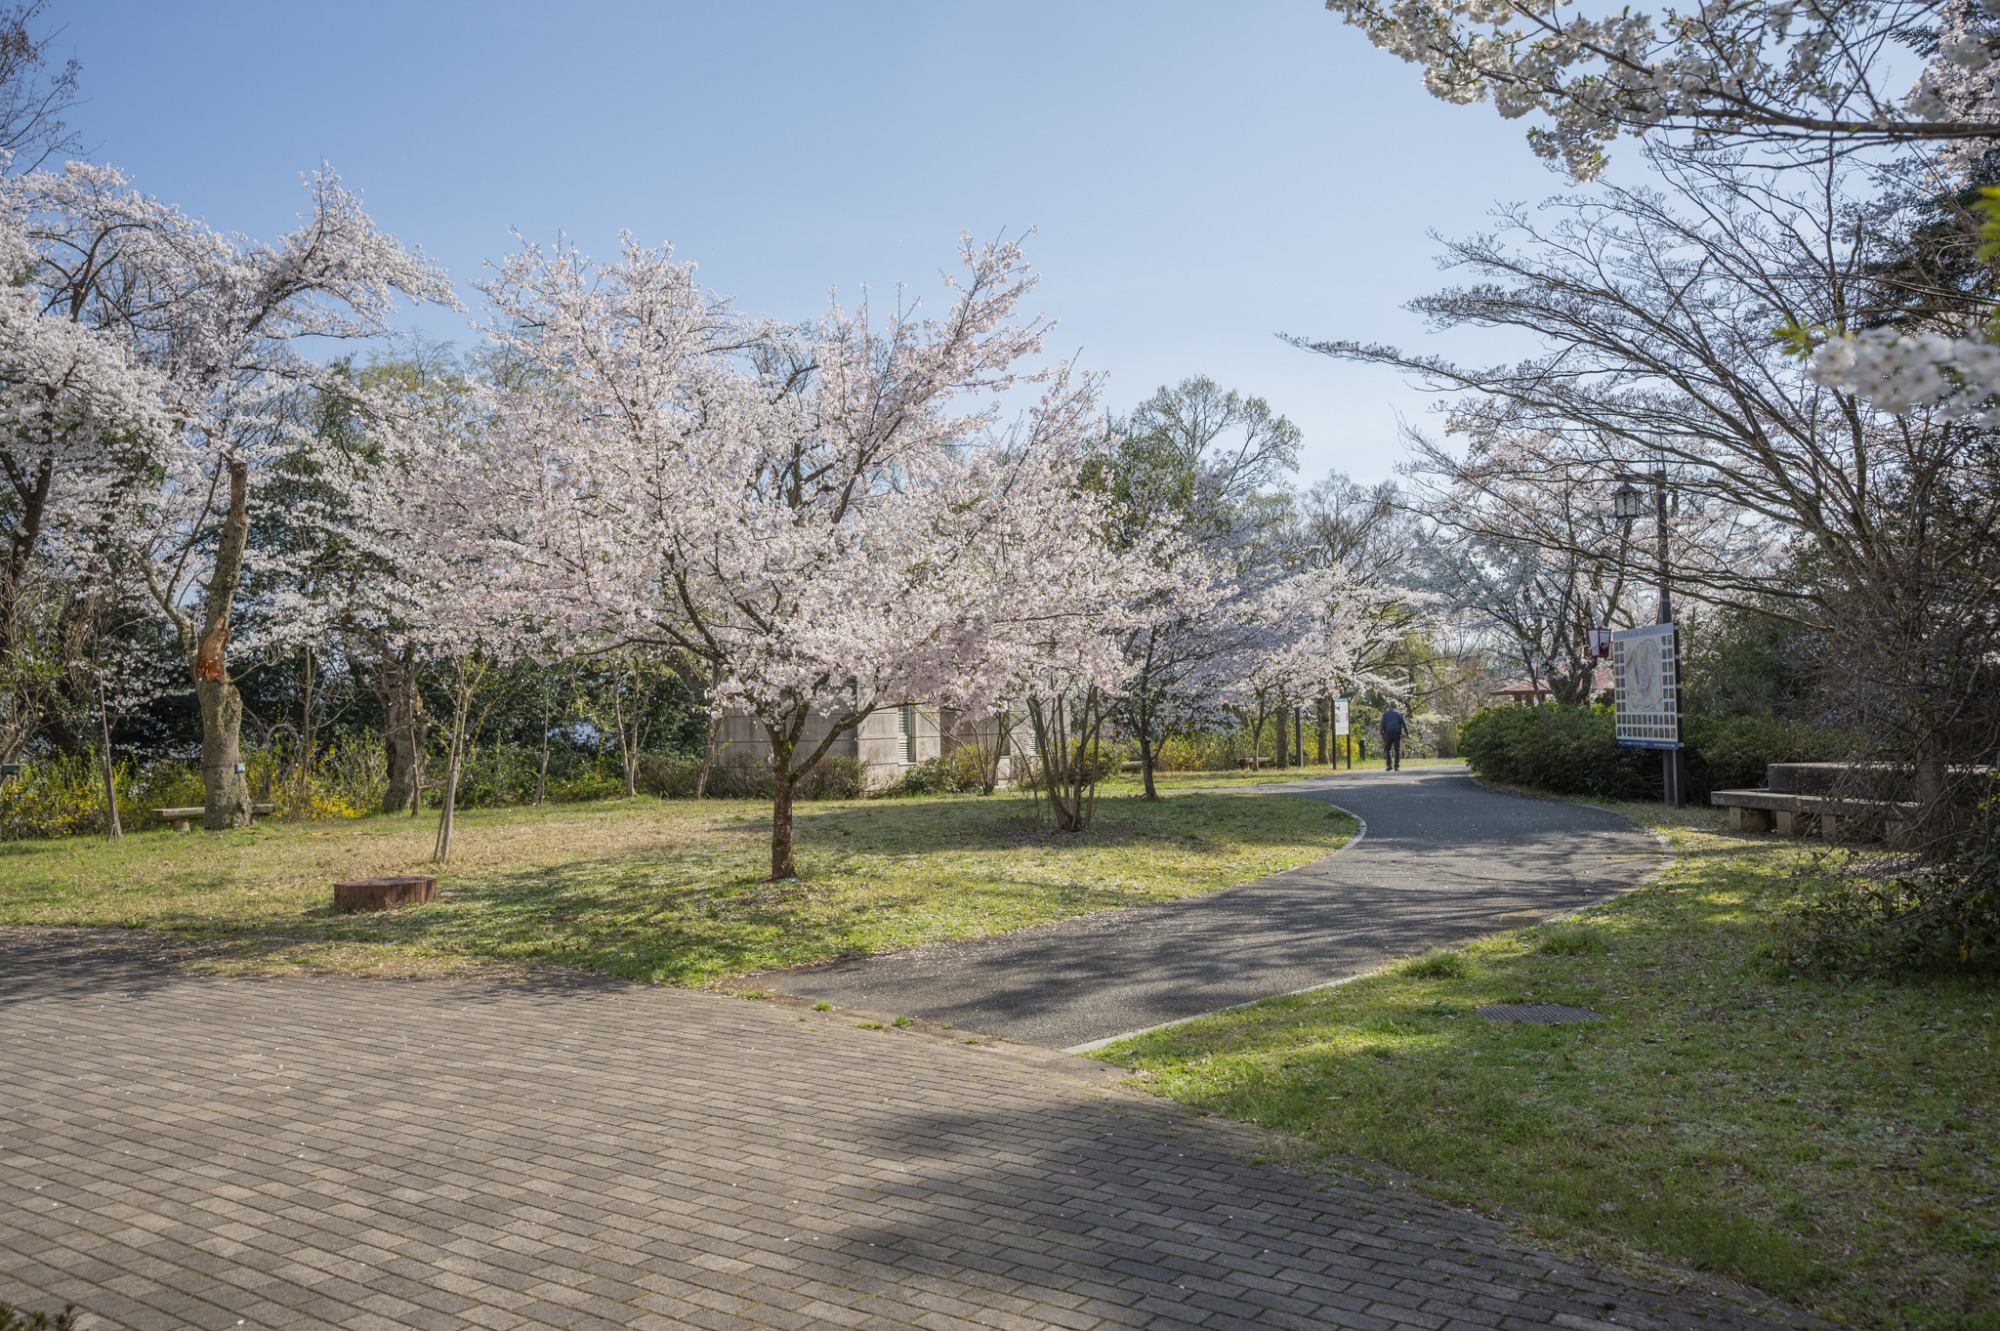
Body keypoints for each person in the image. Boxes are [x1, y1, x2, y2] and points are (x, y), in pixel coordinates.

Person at [1379, 704, 1406, 771]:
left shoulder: (1385, 714)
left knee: (1388, 749)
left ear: (1390, 706)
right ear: (1396, 706)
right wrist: (1407, 732)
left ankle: (1389, 765)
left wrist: (1382, 731)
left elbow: (1382, 724)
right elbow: (1404, 724)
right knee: (1397, 749)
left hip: (1388, 733)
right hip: (1397, 732)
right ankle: (1396, 766)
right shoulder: (1399, 713)